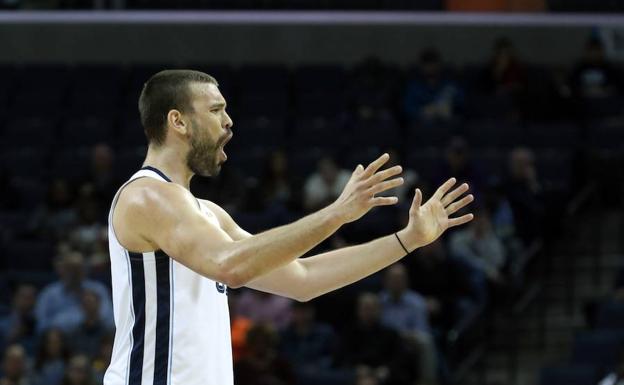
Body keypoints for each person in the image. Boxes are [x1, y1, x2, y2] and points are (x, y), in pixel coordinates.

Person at [104, 69, 474, 385]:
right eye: (216, 110)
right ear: (178, 121)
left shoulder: (208, 214)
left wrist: (406, 240)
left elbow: (303, 279)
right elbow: (230, 265)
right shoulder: (146, 196)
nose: (229, 121)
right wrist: (336, 214)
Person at [379, 263, 437, 385]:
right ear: (386, 281)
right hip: (384, 340)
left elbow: (422, 331)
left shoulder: (417, 302)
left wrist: (401, 335)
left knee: (425, 341)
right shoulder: (379, 301)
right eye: (393, 279)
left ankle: (427, 381)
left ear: (406, 281)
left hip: (408, 340)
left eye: (399, 279)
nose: (396, 283)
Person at [34, 251, 113, 333]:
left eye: (78, 268)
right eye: (71, 268)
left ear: (85, 269)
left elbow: (108, 319)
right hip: (60, 340)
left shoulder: (98, 289)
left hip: (92, 337)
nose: (75, 273)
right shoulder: (49, 294)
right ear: (62, 269)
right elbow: (41, 325)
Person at [0, 285, 37, 353]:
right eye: (23, 296)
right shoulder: (3, 318)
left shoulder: (39, 321)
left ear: (35, 300)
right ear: (15, 298)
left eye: (29, 297)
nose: (26, 301)